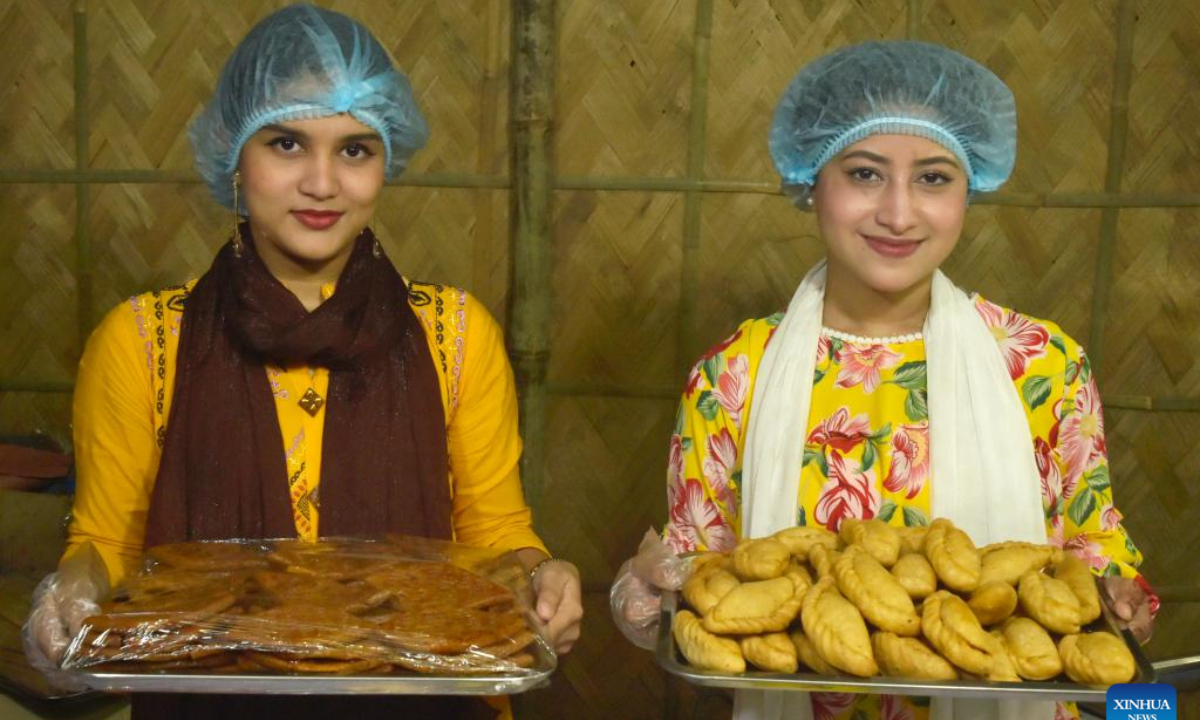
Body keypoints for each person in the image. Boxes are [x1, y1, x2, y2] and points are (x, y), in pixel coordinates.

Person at [24, 5, 581, 719]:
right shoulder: (141, 344)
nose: (322, 184)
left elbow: (497, 537)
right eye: (287, 143)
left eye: (354, 149)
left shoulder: (456, 337)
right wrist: (72, 591)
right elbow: (105, 542)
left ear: (388, 160)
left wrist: (543, 575)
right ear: (233, 153)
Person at [637, 40, 1156, 720]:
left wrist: (1126, 603)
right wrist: (645, 596)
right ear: (811, 181)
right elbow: (704, 586)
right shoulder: (736, 372)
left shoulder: (1042, 363)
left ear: (973, 187)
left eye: (935, 178)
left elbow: (1094, 556)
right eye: (864, 173)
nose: (900, 213)